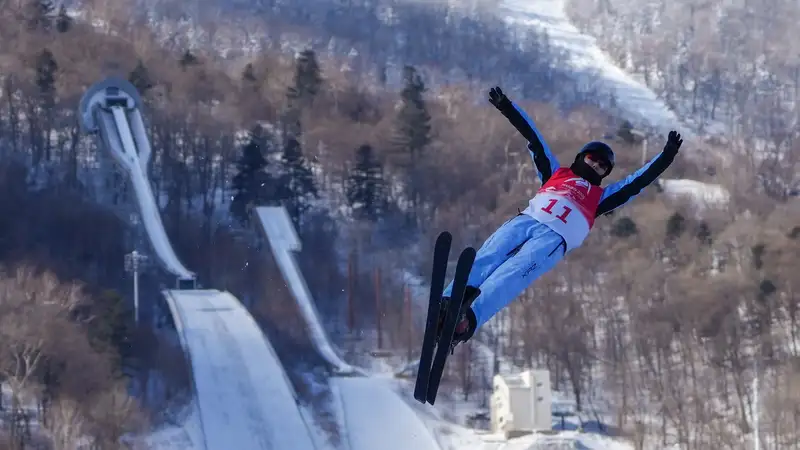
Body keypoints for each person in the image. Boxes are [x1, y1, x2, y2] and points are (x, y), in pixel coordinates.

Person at [439, 86, 683, 345]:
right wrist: (507, 107)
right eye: (593, 159)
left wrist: (666, 156)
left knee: (511, 276)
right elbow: (534, 138)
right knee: (488, 258)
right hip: (527, 220)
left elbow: (638, 181)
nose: (596, 166)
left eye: (603, 166)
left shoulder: (601, 198)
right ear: (581, 157)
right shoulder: (556, 173)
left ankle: (467, 322)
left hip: (553, 240)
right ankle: (448, 304)